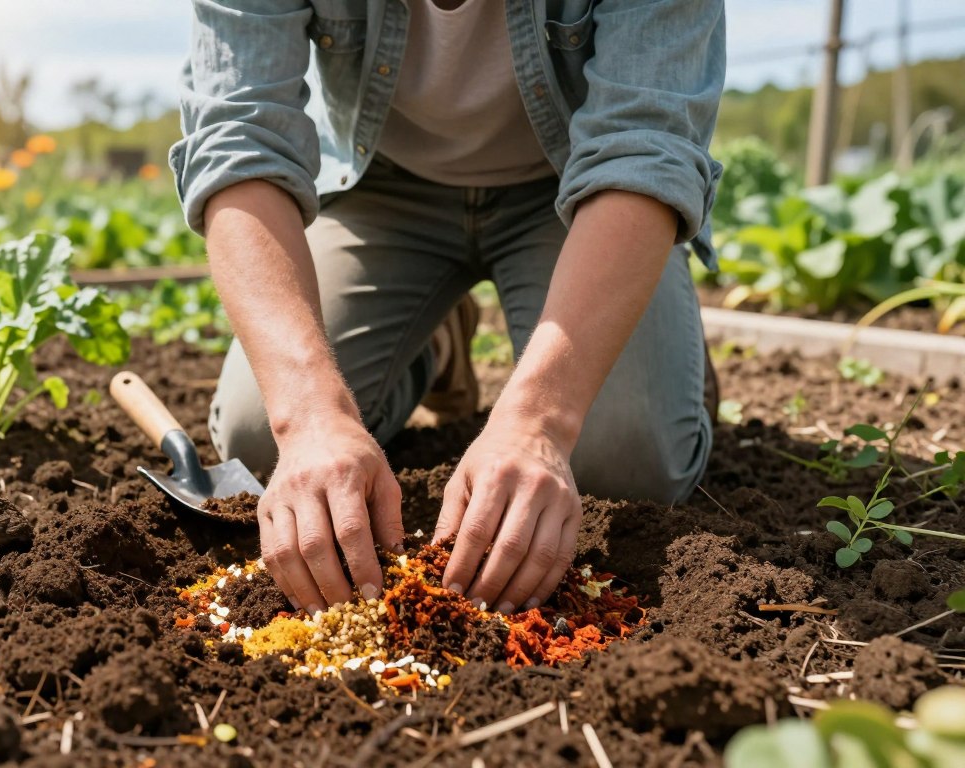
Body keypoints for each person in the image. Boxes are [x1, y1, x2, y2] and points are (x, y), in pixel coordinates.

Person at [170, 0, 725, 616]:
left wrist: (541, 421)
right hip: (381, 186)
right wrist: (307, 417)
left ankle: (662, 355)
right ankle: (435, 343)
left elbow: (643, 151)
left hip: (577, 190)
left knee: (627, 463)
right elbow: (238, 141)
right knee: (260, 439)